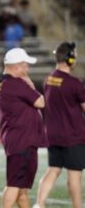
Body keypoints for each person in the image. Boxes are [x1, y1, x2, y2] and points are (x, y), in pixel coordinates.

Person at [0, 48, 47, 208]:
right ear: (15, 66)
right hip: (23, 140)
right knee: (14, 185)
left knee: (22, 190)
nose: (27, 69)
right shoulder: (14, 83)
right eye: (24, 65)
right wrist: (28, 81)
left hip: (17, 138)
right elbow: (41, 102)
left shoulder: (1, 81)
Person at [33, 42, 85, 208]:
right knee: (75, 175)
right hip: (73, 135)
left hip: (53, 134)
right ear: (70, 59)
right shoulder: (74, 83)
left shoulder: (48, 79)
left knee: (53, 169)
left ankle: (39, 204)